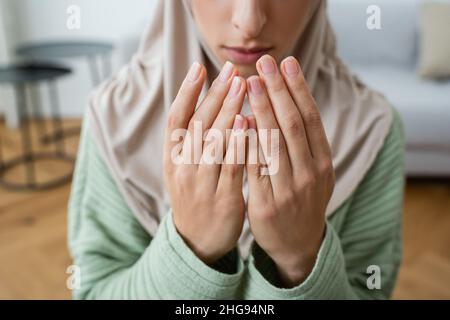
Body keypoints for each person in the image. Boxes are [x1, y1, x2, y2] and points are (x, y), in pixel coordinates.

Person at [68, 0, 405, 299]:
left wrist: (300, 259)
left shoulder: (372, 129)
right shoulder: (112, 120)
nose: (250, 21)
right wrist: (190, 247)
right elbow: (94, 291)